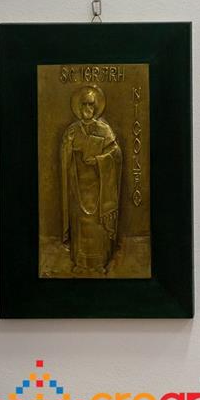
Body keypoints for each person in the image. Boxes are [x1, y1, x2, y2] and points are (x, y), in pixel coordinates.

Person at [61, 85, 122, 274]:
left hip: (99, 186)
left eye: (91, 104)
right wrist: (68, 147)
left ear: (95, 107)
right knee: (80, 224)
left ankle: (99, 262)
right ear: (79, 107)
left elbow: (116, 154)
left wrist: (98, 160)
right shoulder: (72, 131)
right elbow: (64, 159)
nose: (87, 108)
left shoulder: (104, 129)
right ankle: (80, 262)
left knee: (97, 226)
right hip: (78, 186)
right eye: (84, 104)